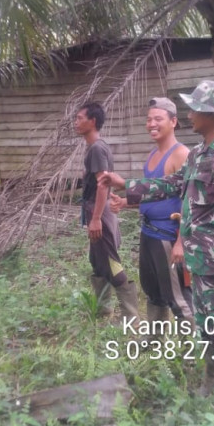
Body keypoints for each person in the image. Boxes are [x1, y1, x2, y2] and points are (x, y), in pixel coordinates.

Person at [98, 81, 214, 414]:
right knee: (210, 329)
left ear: (210, 114)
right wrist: (126, 185)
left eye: (194, 108)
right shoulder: (199, 153)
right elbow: (170, 184)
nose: (189, 114)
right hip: (200, 263)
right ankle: (212, 388)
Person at [109, 97, 194, 330]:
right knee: (153, 292)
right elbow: (155, 193)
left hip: (168, 236)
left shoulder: (181, 154)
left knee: (178, 297)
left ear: (173, 122)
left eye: (158, 119)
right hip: (148, 233)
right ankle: (154, 342)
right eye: (148, 120)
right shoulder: (153, 154)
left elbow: (189, 201)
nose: (151, 124)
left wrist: (181, 242)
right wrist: (125, 202)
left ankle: (191, 348)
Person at [74, 101, 139, 323]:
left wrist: (95, 219)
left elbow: (103, 184)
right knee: (98, 261)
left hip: (99, 213)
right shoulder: (95, 147)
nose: (76, 122)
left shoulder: (97, 148)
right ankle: (103, 311)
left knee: (111, 261)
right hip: (97, 211)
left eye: (80, 118)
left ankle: (131, 318)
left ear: (92, 121)